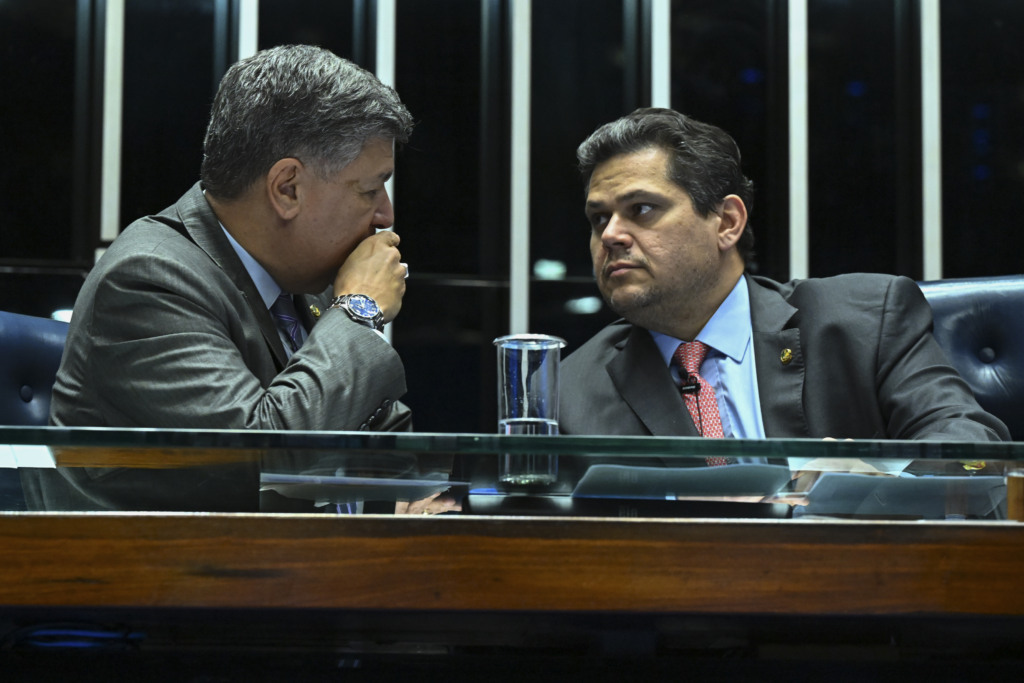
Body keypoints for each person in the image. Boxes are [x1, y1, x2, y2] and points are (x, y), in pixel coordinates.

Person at [33, 46, 421, 512]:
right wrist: (359, 310)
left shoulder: (305, 278)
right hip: (169, 577)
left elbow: (385, 435)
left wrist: (407, 502)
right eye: (370, 189)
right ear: (287, 189)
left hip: (305, 568)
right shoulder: (149, 280)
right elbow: (264, 458)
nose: (385, 215)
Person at [558, 107, 1009, 442]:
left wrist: (874, 488)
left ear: (727, 222)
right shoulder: (571, 389)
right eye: (599, 219)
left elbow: (968, 442)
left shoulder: (865, 322)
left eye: (641, 209)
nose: (612, 235)